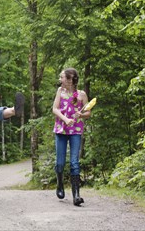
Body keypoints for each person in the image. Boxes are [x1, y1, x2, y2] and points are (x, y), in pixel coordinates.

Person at [52, 68, 91, 206]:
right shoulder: (60, 92)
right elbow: (55, 109)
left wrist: (81, 115)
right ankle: (60, 183)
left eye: (62, 77)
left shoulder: (81, 95)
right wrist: (65, 119)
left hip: (76, 130)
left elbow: (88, 112)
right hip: (61, 130)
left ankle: (76, 195)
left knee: (74, 162)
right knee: (60, 162)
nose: (60, 79)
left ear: (70, 79)